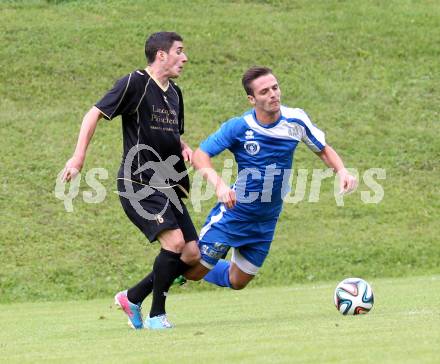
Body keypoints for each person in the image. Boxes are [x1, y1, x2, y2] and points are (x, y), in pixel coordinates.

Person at [62, 32, 200, 330]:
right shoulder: (135, 82)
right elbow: (93, 114)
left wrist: (184, 147)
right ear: (161, 55)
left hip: (169, 184)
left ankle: (133, 297)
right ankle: (156, 316)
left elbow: (172, 134)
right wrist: (78, 157)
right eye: (179, 51)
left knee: (191, 254)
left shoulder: (175, 93)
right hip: (138, 181)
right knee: (175, 242)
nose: (185, 58)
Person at [184, 66, 357, 290]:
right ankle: (171, 266)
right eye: (264, 91)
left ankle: (182, 264)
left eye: (275, 88)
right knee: (193, 272)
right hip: (236, 212)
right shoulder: (239, 127)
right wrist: (219, 186)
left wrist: (342, 171)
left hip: (266, 218)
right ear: (251, 99)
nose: (273, 94)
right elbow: (200, 155)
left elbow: (323, 149)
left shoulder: (295, 120)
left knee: (237, 281)